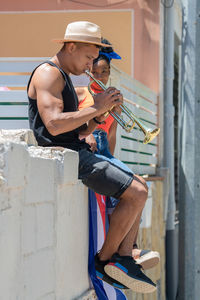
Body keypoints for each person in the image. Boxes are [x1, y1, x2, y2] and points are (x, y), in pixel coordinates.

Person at [27, 20, 157, 293]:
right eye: (88, 57)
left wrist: (99, 117)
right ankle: (106, 260)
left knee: (140, 187)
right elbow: (53, 125)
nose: (89, 65)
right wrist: (96, 105)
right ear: (71, 46)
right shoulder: (48, 74)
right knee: (136, 192)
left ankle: (122, 257)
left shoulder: (63, 76)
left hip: (74, 149)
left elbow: (74, 129)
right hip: (64, 155)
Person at [76, 39, 160, 269]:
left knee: (141, 184)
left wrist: (114, 161)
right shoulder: (81, 92)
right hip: (90, 146)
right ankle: (123, 251)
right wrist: (86, 135)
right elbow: (77, 126)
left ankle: (131, 246)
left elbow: (112, 134)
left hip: (105, 150)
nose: (100, 76)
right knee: (134, 188)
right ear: (88, 72)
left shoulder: (113, 95)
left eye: (105, 72)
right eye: (96, 71)